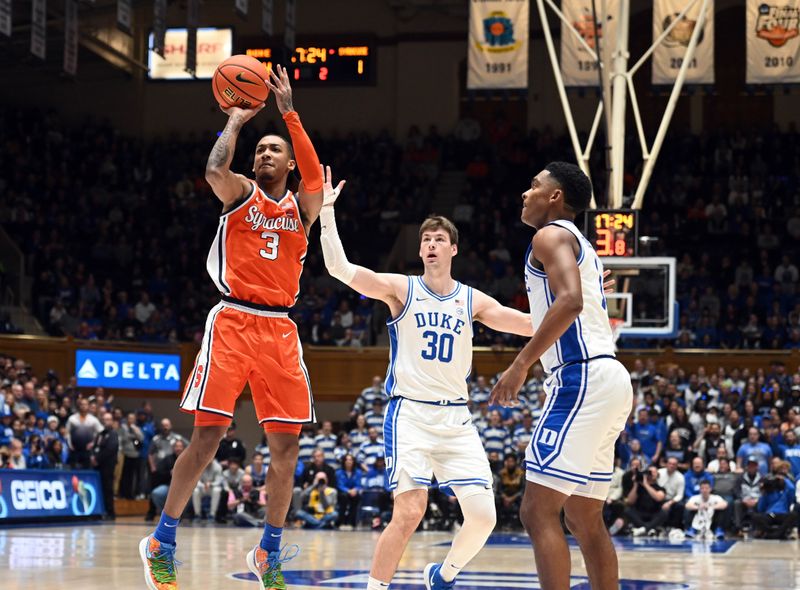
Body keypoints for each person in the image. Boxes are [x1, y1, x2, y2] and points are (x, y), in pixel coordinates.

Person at [140, 63, 324, 590]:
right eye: (260, 150)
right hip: (233, 320)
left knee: (287, 449)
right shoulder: (239, 191)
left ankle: (268, 552)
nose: (264, 155)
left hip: (281, 331)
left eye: (274, 150)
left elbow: (315, 179)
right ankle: (162, 540)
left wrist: (288, 113)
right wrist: (238, 121)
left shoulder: (304, 206)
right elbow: (213, 170)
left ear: (288, 160)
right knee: (208, 439)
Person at [318, 167, 538, 590]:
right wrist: (327, 213)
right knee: (409, 511)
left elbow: (529, 323)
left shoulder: (471, 299)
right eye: (426, 240)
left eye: (439, 239)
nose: (431, 244)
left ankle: (443, 575)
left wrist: (580, 299)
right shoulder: (401, 289)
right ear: (420, 251)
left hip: (457, 420)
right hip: (411, 416)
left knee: (484, 516)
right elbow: (339, 268)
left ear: (453, 249)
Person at [491, 162, 633, 590]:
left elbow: (569, 302)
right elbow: (575, 300)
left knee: (536, 512)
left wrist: (519, 365)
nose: (525, 192)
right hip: (608, 376)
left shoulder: (549, 235)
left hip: (581, 376)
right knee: (584, 516)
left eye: (534, 185)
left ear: (555, 197)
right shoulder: (580, 245)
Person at [92, 412, 119, 520]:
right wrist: (93, 457)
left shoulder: (113, 434)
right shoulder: (100, 434)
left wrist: (97, 459)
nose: (106, 421)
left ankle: (110, 512)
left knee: (108, 489)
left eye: (109, 419)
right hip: (98, 466)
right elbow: (95, 446)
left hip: (108, 466)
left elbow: (110, 449)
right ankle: (100, 511)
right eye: (105, 419)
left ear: (112, 421)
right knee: (100, 489)